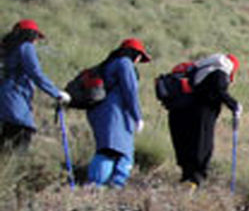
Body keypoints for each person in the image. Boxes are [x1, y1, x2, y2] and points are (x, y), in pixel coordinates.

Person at [84, 38, 151, 188]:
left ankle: (103, 184)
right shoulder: (125, 64)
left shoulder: (108, 65)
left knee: (111, 149)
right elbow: (130, 92)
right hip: (115, 114)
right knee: (112, 150)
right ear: (135, 54)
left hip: (102, 114)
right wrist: (137, 116)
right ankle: (103, 184)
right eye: (140, 56)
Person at [167, 53, 242, 186]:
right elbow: (219, 91)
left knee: (190, 144)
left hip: (186, 111)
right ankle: (195, 180)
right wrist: (234, 105)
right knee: (202, 145)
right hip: (203, 115)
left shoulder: (202, 69)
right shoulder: (220, 70)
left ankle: (187, 177)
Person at [0, 19, 69, 150]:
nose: (37, 41)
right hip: (16, 100)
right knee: (22, 137)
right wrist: (56, 93)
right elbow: (35, 73)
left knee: (5, 141)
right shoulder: (26, 47)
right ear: (30, 34)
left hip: (4, 101)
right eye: (37, 37)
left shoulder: (7, 49)